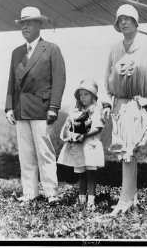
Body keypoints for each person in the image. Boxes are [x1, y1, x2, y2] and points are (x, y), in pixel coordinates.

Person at [104, 4, 147, 216]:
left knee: (130, 151)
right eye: (120, 19)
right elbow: (108, 78)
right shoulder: (114, 49)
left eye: (128, 18)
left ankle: (125, 200)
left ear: (136, 22)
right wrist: (106, 102)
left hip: (140, 103)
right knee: (125, 151)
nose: (124, 22)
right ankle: (131, 197)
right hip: (120, 104)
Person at [5, 6, 66, 205]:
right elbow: (11, 83)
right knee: (26, 155)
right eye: (22, 23)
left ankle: (51, 193)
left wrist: (54, 107)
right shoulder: (16, 53)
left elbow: (59, 80)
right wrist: (8, 107)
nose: (25, 27)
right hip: (21, 109)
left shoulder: (52, 49)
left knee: (45, 153)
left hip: (42, 109)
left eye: (29, 23)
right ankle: (30, 193)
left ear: (40, 25)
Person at [58, 80, 105, 210]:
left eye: (86, 94)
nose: (83, 97)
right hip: (79, 147)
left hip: (91, 146)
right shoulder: (76, 111)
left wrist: (85, 135)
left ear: (93, 96)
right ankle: (81, 198)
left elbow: (98, 127)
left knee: (91, 173)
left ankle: (91, 200)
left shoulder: (96, 109)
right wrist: (71, 132)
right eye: (81, 95)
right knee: (81, 173)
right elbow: (69, 126)